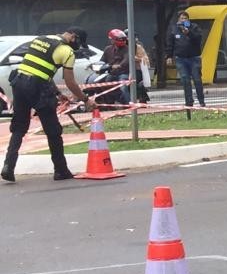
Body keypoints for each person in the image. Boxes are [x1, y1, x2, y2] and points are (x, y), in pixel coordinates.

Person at [2, 27, 93, 182]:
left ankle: (8, 167)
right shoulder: (67, 52)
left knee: (19, 126)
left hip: (19, 82)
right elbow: (70, 82)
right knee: (53, 130)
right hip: (38, 88)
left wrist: (58, 94)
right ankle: (61, 170)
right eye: (78, 43)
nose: (77, 47)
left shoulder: (40, 40)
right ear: (74, 37)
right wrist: (86, 99)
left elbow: (40, 70)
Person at [166, 11, 205, 107]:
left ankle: (201, 100)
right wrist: (169, 56)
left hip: (194, 58)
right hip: (181, 59)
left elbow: (198, 38)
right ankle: (189, 101)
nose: (183, 20)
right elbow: (170, 43)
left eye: (185, 18)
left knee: (197, 79)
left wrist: (189, 32)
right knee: (185, 79)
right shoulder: (174, 29)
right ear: (178, 20)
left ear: (188, 19)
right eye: (181, 18)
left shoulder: (194, 27)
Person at [102, 29, 150, 104]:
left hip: (129, 72)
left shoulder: (130, 48)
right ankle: (109, 102)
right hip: (113, 72)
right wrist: (99, 65)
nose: (125, 40)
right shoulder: (108, 49)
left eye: (124, 38)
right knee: (106, 82)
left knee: (123, 86)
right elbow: (102, 61)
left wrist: (136, 60)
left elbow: (127, 60)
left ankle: (128, 103)